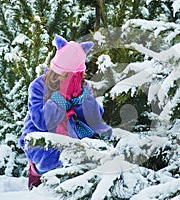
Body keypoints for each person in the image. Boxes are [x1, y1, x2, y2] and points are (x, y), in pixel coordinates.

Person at [19, 35, 112, 190]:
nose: (71, 78)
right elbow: (41, 122)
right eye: (67, 74)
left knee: (95, 151)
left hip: (73, 132)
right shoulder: (39, 86)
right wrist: (61, 96)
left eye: (76, 75)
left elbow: (95, 118)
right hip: (43, 135)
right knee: (52, 159)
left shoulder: (82, 86)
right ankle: (38, 175)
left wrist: (80, 98)